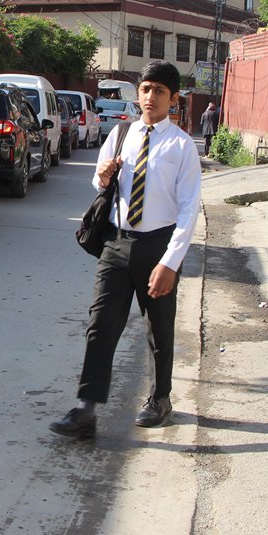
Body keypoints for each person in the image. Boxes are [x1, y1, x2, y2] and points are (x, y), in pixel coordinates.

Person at [50, 60, 202, 439]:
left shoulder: (181, 146)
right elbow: (100, 181)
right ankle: (86, 410)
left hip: (158, 246)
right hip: (117, 244)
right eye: (146, 89)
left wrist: (170, 262)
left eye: (159, 91)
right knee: (100, 325)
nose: (150, 97)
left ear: (173, 98)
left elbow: (188, 210)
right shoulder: (121, 134)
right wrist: (102, 177)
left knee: (159, 329)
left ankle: (160, 398)